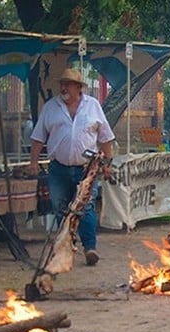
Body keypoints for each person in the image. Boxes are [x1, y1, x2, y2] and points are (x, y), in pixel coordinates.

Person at [29, 68, 114, 266]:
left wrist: (107, 164)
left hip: (86, 169)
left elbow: (106, 138)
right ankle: (65, 245)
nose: (64, 88)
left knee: (86, 207)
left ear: (78, 87)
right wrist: (33, 161)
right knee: (60, 208)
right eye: (62, 84)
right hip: (58, 168)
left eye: (68, 84)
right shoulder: (51, 107)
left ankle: (89, 247)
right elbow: (38, 137)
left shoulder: (92, 106)